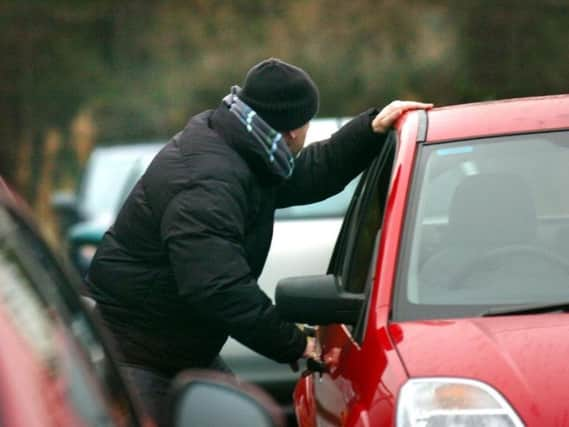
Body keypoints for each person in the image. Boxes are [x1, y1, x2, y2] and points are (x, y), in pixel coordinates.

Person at [86, 57, 431, 425]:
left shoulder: (242, 147)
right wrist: (295, 342)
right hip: (137, 355)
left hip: (176, 347)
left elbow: (309, 173)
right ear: (293, 130)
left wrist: (369, 131)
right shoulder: (209, 181)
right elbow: (218, 286)